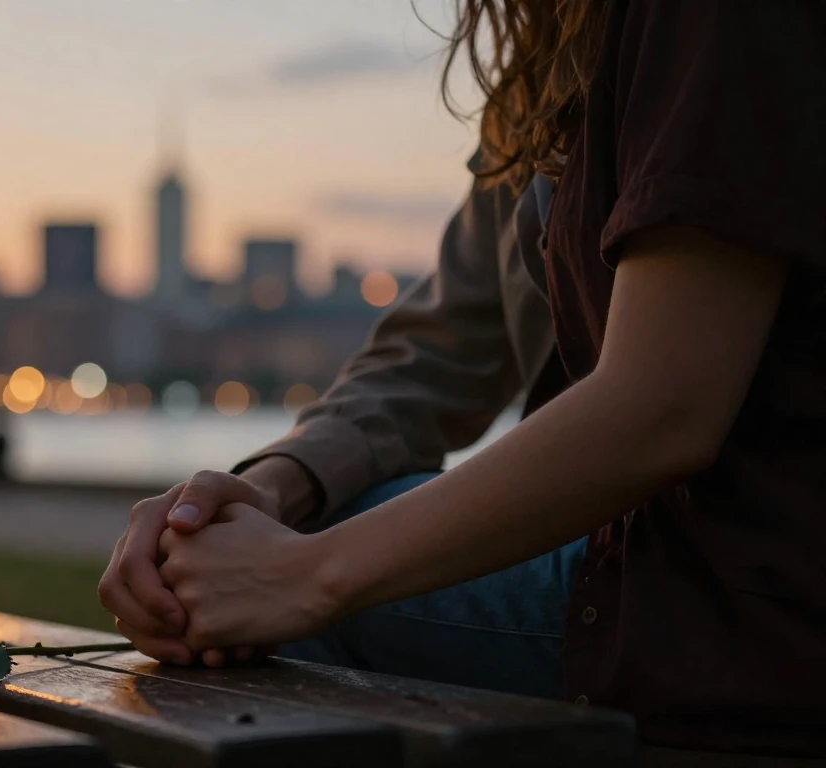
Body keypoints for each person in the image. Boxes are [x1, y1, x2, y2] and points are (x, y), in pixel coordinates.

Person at [99, 0, 826, 755]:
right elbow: (438, 349)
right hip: (648, 558)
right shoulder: (549, 60)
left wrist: (307, 577)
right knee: (237, 570)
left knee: (259, 616)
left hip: (740, 590)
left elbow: (664, 406)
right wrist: (273, 492)